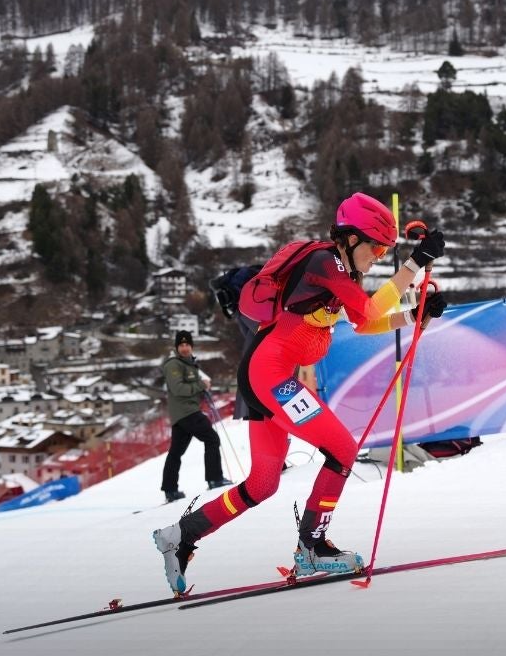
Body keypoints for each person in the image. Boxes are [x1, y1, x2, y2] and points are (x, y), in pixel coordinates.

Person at [154, 192, 448, 594]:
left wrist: (414, 317)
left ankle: (180, 535)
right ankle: (311, 547)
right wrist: (417, 263)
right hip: (270, 377)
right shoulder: (325, 262)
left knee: (262, 484)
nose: (379, 256)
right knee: (343, 449)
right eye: (377, 247)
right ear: (350, 238)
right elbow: (369, 312)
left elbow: (363, 324)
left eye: (385, 249)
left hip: (265, 376)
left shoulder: (341, 272)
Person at [160, 330, 233, 503]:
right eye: (181, 345)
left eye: (187, 345)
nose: (184, 348)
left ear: (191, 346)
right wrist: (201, 385)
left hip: (183, 413)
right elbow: (178, 389)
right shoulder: (173, 365)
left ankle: (170, 490)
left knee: (176, 452)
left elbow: (191, 385)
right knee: (212, 439)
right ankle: (215, 479)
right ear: (176, 347)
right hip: (186, 412)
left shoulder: (190, 364)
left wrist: (201, 386)